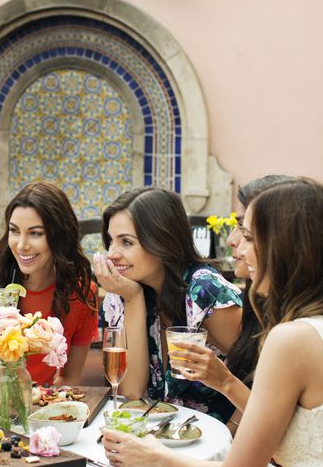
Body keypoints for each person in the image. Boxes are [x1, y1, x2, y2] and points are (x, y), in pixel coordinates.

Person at [102, 177, 323, 467]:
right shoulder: (302, 329)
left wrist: (156, 459)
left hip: (211, 441)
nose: (234, 243)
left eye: (247, 235)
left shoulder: (289, 338)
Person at [93, 187, 243, 423]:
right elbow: (132, 392)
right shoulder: (124, 293)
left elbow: (264, 375)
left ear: (161, 241)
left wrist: (233, 437)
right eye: (111, 241)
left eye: (126, 242)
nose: (112, 254)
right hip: (164, 441)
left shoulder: (204, 292)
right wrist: (133, 299)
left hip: (217, 445)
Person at [0, 181, 99, 395]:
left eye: (35, 233)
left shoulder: (81, 294)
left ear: (60, 236)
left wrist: (41, 405)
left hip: (33, 405)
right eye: (15, 231)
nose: (21, 245)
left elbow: (69, 376)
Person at [171, 175, 292, 434]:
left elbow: (280, 426)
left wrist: (224, 381)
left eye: (246, 232)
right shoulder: (259, 299)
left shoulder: (205, 287)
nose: (231, 240)